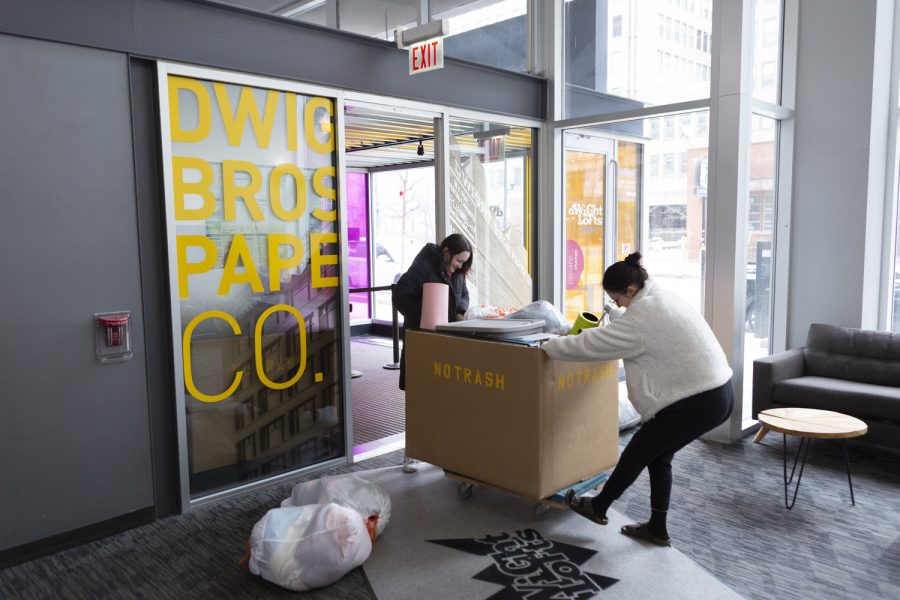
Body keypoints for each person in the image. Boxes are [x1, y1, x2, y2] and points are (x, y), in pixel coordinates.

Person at [541, 252, 733, 547]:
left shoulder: (642, 318)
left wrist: (551, 346)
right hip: (720, 393)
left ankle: (599, 505)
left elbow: (594, 344)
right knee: (659, 456)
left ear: (630, 291)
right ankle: (657, 528)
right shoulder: (661, 298)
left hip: (697, 399)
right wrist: (619, 317)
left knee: (637, 450)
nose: (616, 305)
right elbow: (638, 324)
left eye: (616, 299)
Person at [392, 233, 473, 472]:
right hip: (421, 340)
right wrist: (428, 315)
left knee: (441, 398)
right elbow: (401, 296)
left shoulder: (456, 273)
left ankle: (440, 451)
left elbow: (464, 296)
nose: (460, 266)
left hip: (445, 342)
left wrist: (460, 310)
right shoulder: (423, 265)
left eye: (463, 263)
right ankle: (412, 453)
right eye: (458, 260)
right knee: (418, 398)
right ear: (446, 251)